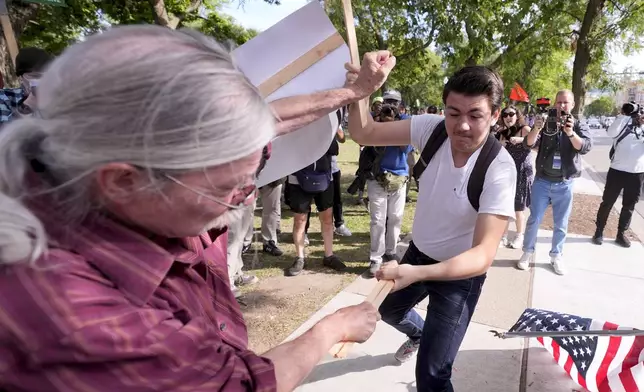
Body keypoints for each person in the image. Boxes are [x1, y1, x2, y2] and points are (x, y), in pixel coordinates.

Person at [0, 26, 381, 391]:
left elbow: (273, 119)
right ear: (122, 181)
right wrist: (330, 329)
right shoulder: (72, 314)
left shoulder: (164, 166)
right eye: (228, 188)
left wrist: (354, 92)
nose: (247, 197)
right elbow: (238, 385)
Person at [346, 54, 517, 392]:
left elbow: (483, 255)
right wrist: (361, 91)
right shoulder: (431, 130)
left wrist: (417, 274)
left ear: (496, 116)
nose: (462, 126)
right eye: (453, 113)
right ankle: (419, 332)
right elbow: (363, 133)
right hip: (419, 255)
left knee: (433, 376)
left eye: (475, 115)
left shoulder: (499, 168)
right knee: (390, 311)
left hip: (460, 278)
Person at [517, 90, 593, 275]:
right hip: (542, 180)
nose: (561, 106)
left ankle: (556, 256)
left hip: (564, 182)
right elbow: (528, 144)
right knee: (534, 219)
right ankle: (527, 252)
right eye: (558, 102)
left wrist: (570, 133)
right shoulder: (546, 120)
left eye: (565, 102)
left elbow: (584, 147)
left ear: (573, 104)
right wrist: (536, 128)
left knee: (561, 223)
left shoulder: (578, 123)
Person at [286, 137, 346, 276]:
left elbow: (334, 149)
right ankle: (300, 257)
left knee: (327, 218)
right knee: (300, 220)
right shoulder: (297, 127)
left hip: (324, 176)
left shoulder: (326, 127)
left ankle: (329, 256)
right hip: (298, 177)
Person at [365, 104, 413, 277]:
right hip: (376, 177)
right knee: (377, 220)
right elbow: (364, 138)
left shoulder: (405, 122)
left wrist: (393, 125)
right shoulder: (374, 119)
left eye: (393, 106)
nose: (388, 112)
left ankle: (391, 251)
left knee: (395, 217)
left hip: (399, 178)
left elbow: (405, 148)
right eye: (386, 105)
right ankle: (376, 257)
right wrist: (379, 121)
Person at [592, 110, 644, 248]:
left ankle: (621, 234)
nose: (640, 117)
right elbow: (611, 133)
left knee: (629, 206)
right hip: (617, 171)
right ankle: (599, 231)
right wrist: (623, 115)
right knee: (607, 202)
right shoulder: (623, 124)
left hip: (637, 173)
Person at [496, 106, 534, 248]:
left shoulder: (525, 129)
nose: (508, 117)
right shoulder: (502, 133)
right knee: (505, 206)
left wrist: (521, 140)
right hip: (506, 173)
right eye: (505, 114)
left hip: (522, 172)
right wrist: (500, 144)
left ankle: (519, 236)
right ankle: (503, 236)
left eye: (511, 114)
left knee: (518, 208)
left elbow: (535, 143)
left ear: (517, 116)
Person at [0, 47, 53, 124]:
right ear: (20, 77)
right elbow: (4, 133)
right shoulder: (5, 97)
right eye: (35, 76)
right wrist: (28, 105)